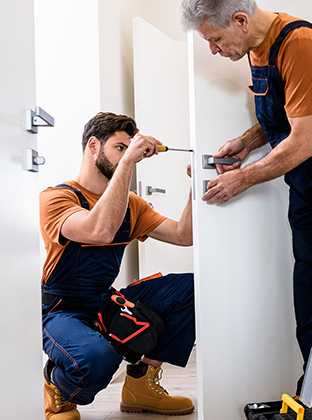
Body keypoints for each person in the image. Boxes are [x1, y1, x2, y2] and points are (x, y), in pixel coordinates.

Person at [179, 1, 312, 418]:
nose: (213, 51)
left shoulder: (302, 45)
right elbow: (288, 110)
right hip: (305, 184)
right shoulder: (256, 46)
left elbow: (303, 140)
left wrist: (241, 178)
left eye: (215, 40)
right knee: (309, 290)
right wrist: (247, 141)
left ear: (240, 22)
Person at [39, 112, 196, 419]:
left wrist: (196, 184)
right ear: (93, 146)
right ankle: (57, 385)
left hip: (102, 299)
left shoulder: (131, 204)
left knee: (190, 289)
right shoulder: (57, 198)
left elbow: (184, 235)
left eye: (130, 148)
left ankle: (141, 387)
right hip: (61, 308)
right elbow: (99, 231)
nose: (128, 155)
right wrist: (128, 164)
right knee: (98, 359)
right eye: (120, 147)